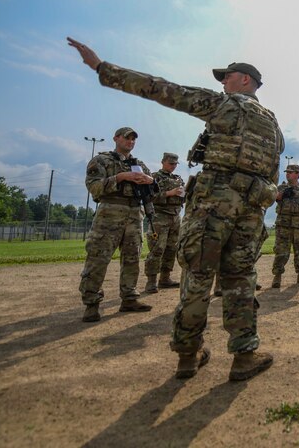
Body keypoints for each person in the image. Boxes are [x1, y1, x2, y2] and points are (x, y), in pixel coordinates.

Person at [69, 38, 282, 382]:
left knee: (197, 276)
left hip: (213, 204)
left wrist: (102, 68)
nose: (222, 83)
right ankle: (244, 355)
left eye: (227, 77)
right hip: (251, 208)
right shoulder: (273, 125)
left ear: (245, 80)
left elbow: (163, 90)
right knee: (240, 279)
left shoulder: (225, 106)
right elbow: (271, 174)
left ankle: (188, 354)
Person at [77, 126, 155, 322]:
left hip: (134, 214)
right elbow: (94, 187)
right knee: (98, 258)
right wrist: (120, 177)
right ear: (116, 138)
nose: (130, 142)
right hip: (109, 213)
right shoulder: (101, 160)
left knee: (132, 258)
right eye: (127, 138)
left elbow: (154, 188)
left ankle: (129, 298)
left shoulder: (139, 164)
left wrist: (149, 179)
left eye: (133, 139)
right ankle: (92, 304)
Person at [143, 152, 184, 293]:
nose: (173, 166)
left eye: (175, 164)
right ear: (163, 162)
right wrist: (169, 193)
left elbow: (183, 197)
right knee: (157, 249)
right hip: (160, 217)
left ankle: (165, 278)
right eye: (171, 163)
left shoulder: (178, 179)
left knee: (171, 249)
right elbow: (149, 197)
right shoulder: (155, 177)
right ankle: (151, 281)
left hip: (175, 217)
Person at [271, 164, 299, 288]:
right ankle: (277, 276)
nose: (288, 174)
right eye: (287, 172)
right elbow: (271, 198)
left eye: (291, 172)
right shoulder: (280, 187)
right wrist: (280, 195)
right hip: (283, 225)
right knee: (281, 251)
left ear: (297, 174)